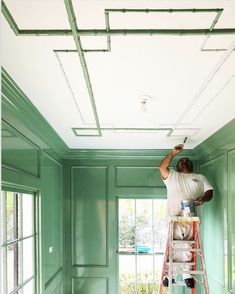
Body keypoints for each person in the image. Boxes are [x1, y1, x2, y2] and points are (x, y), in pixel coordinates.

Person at [159, 143, 213, 289]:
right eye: (181, 161)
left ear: (192, 166)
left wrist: (204, 198)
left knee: (189, 246)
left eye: (188, 161)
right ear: (177, 167)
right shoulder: (173, 176)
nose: (185, 161)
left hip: (191, 217)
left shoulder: (199, 177)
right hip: (174, 217)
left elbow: (210, 191)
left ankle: (187, 275)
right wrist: (173, 153)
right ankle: (169, 275)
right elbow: (162, 168)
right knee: (174, 246)